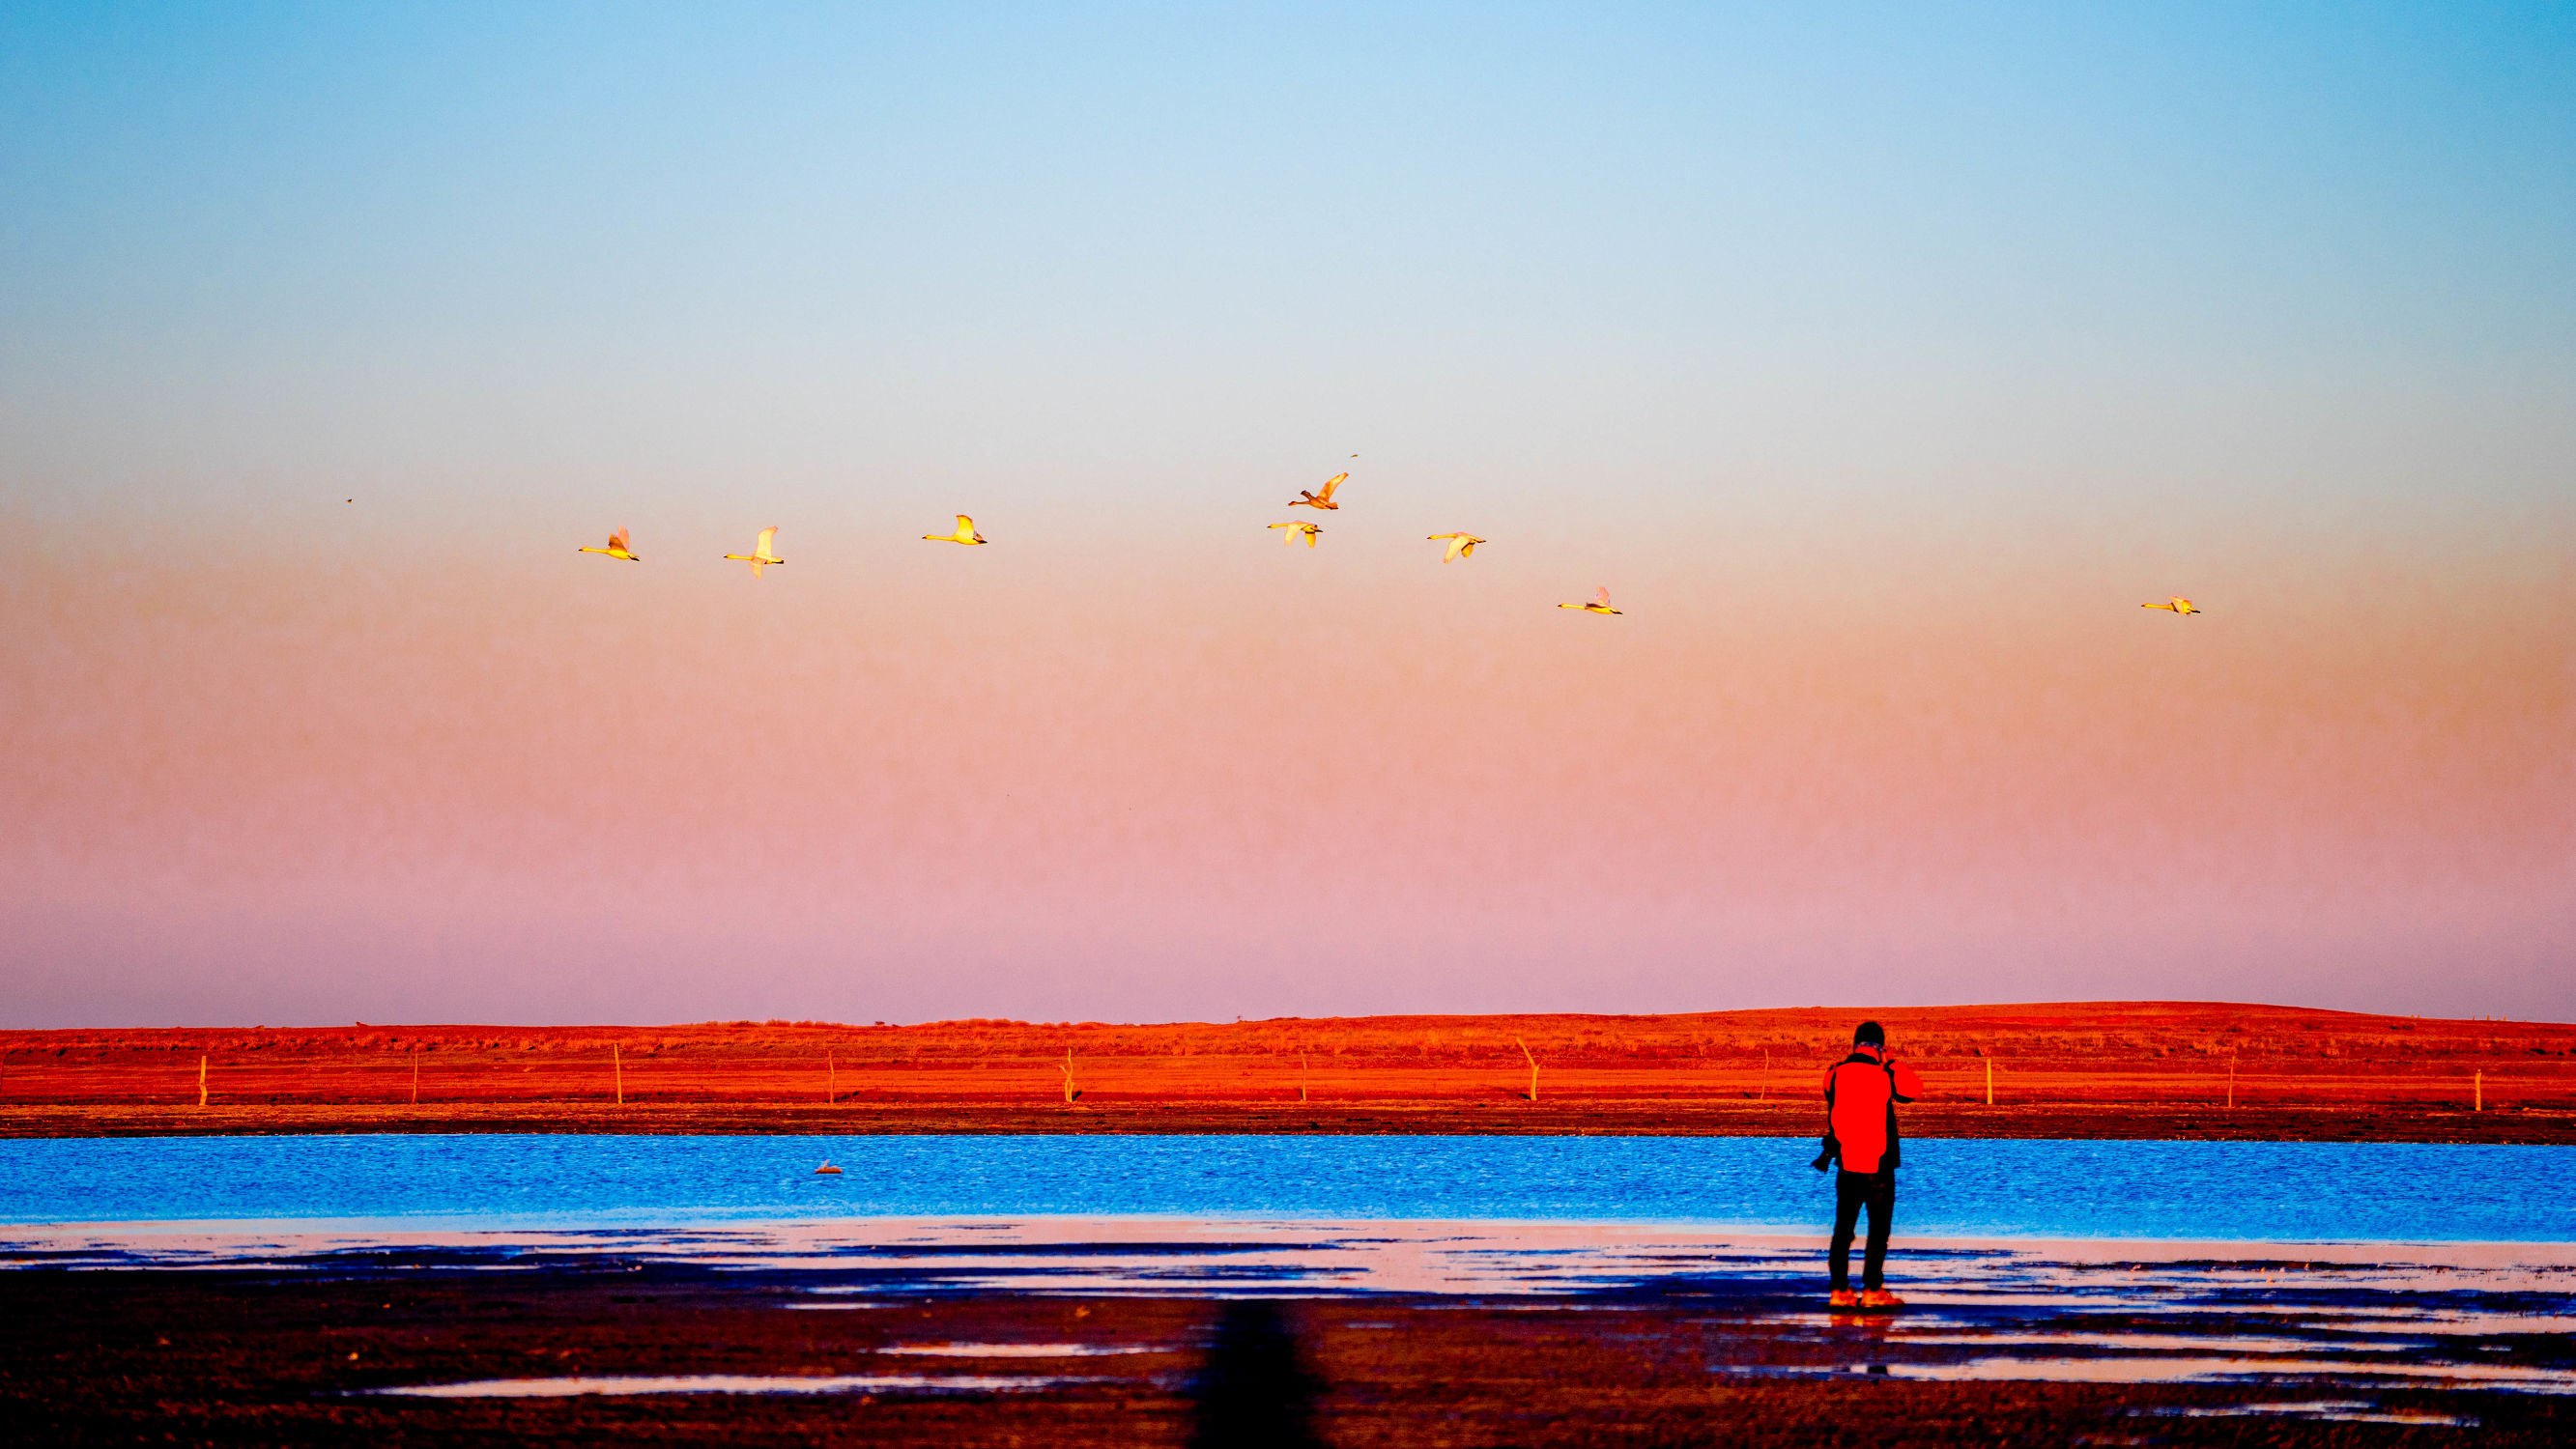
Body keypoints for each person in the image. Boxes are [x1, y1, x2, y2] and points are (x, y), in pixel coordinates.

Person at [1814, 1020, 1925, 1308]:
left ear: (1855, 1045)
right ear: (1879, 1048)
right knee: (1878, 1231)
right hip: (1879, 1166)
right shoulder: (1884, 1075)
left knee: (1843, 1230)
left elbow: (1829, 1094)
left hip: (1847, 1163)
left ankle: (1839, 1291)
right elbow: (1912, 1091)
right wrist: (1892, 1062)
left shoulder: (1834, 1073)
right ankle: (1873, 1290)